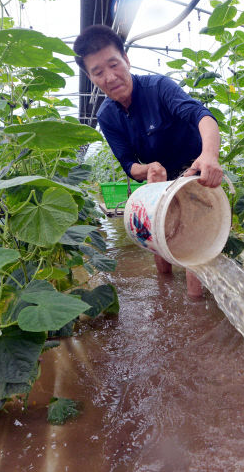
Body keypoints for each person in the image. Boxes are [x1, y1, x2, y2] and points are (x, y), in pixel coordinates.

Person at [73, 24, 223, 297]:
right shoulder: (107, 116)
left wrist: (209, 156)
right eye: (98, 72)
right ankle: (164, 292)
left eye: (114, 64)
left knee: (192, 243)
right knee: (157, 238)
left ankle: (194, 306)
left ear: (126, 60)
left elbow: (202, 115)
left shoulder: (158, 88)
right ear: (90, 77)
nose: (110, 77)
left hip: (193, 171)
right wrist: (148, 170)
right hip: (158, 180)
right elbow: (128, 163)